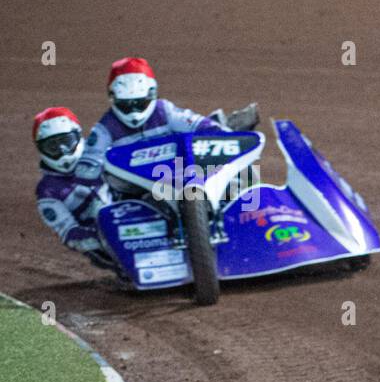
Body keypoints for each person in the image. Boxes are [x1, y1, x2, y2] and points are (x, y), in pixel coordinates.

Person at [82, 57, 257, 178]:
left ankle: (249, 207)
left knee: (238, 169)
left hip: (178, 174)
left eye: (139, 103)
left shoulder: (164, 110)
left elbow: (197, 124)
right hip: (135, 188)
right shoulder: (105, 128)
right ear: (113, 98)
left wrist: (225, 135)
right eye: (126, 104)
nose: (133, 111)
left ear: (152, 94)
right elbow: (87, 167)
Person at [31, 107, 114, 268]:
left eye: (66, 142)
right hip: (106, 237)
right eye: (53, 147)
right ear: (41, 149)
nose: (63, 152)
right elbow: (68, 232)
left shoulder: (104, 154)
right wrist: (98, 237)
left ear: (78, 136)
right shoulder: (47, 191)